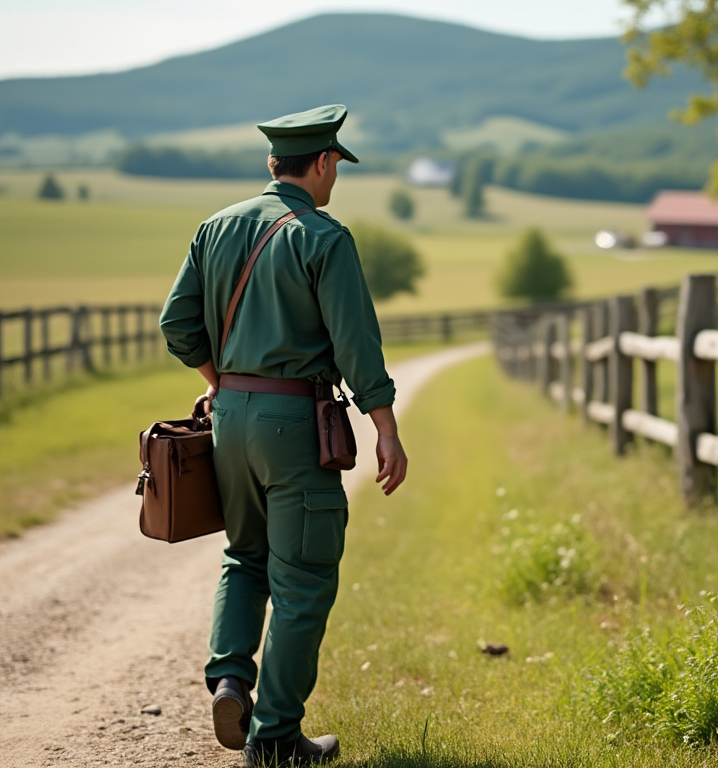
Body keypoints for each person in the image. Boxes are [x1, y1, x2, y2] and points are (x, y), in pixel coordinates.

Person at [159, 104, 407, 767]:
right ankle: (272, 739)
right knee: (303, 579)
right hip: (295, 424)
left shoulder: (215, 226)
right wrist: (385, 427)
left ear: (275, 162)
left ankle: (229, 681)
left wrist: (219, 381)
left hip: (228, 419)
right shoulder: (324, 237)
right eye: (336, 166)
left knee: (245, 556)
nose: (335, 179)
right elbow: (357, 345)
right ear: (322, 163)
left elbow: (177, 325)